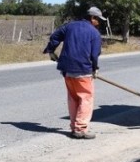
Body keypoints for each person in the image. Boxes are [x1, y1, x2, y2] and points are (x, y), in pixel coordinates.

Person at [43, 7, 106, 139]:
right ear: (92, 18)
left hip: (66, 69)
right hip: (83, 70)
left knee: (73, 98)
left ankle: (74, 126)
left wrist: (51, 51)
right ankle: (80, 129)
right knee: (86, 98)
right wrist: (95, 68)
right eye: (98, 20)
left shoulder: (69, 26)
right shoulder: (94, 33)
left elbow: (55, 36)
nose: (99, 23)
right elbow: (95, 54)